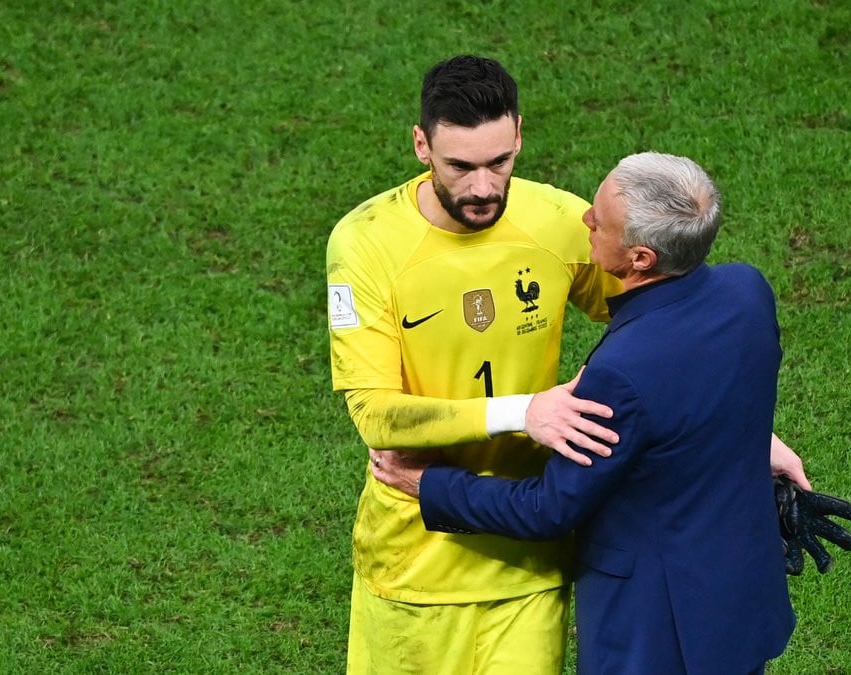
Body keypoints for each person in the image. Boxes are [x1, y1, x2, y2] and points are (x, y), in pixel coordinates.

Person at [377, 152, 801, 674]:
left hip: (653, 631)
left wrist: (426, 484)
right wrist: (757, 441)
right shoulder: (747, 291)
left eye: (598, 221)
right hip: (737, 607)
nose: (585, 222)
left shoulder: (622, 372)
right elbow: (713, 399)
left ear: (641, 258)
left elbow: (549, 508)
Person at [326, 55, 626, 674]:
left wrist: (750, 437)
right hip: (412, 564)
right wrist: (526, 412)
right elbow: (376, 417)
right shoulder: (365, 243)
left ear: (519, 134)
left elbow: (663, 328)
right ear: (421, 145)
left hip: (527, 557)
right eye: (460, 166)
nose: (484, 187)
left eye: (500, 162)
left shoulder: (561, 223)